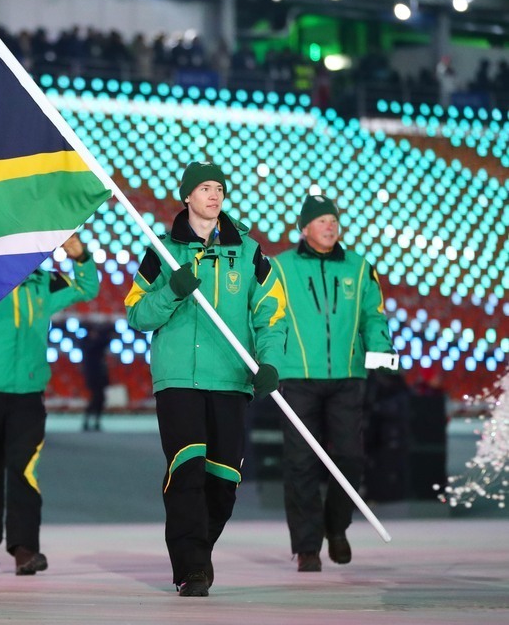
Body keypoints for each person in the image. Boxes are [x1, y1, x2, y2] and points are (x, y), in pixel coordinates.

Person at [125, 162, 286, 596]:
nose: (214, 195)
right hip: (177, 378)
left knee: (223, 482)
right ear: (187, 197)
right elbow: (137, 314)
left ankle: (197, 550)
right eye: (205, 188)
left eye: (219, 188)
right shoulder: (161, 251)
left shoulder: (250, 253)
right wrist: (171, 291)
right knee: (187, 469)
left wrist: (268, 363)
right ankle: (190, 568)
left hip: (232, 379)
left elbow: (271, 315)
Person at [270, 193, 395, 572]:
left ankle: (336, 527)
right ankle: (307, 546)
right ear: (304, 228)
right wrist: (268, 362)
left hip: (347, 376)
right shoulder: (280, 267)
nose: (330, 225)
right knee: (300, 464)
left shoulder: (359, 268)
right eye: (321, 220)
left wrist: (382, 352)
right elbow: (268, 316)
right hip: (296, 376)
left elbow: (374, 316)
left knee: (350, 459)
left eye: (333, 220)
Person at [0, 233, 99, 575]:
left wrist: (80, 256)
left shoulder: (45, 283)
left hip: (28, 393)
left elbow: (88, 288)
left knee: (24, 470)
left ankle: (24, 549)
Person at [79, 320, 113, 432]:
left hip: (100, 375)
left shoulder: (95, 344)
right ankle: (89, 421)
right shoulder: (87, 344)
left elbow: (105, 342)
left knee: (99, 399)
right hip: (93, 375)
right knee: (96, 398)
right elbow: (99, 344)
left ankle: (94, 421)